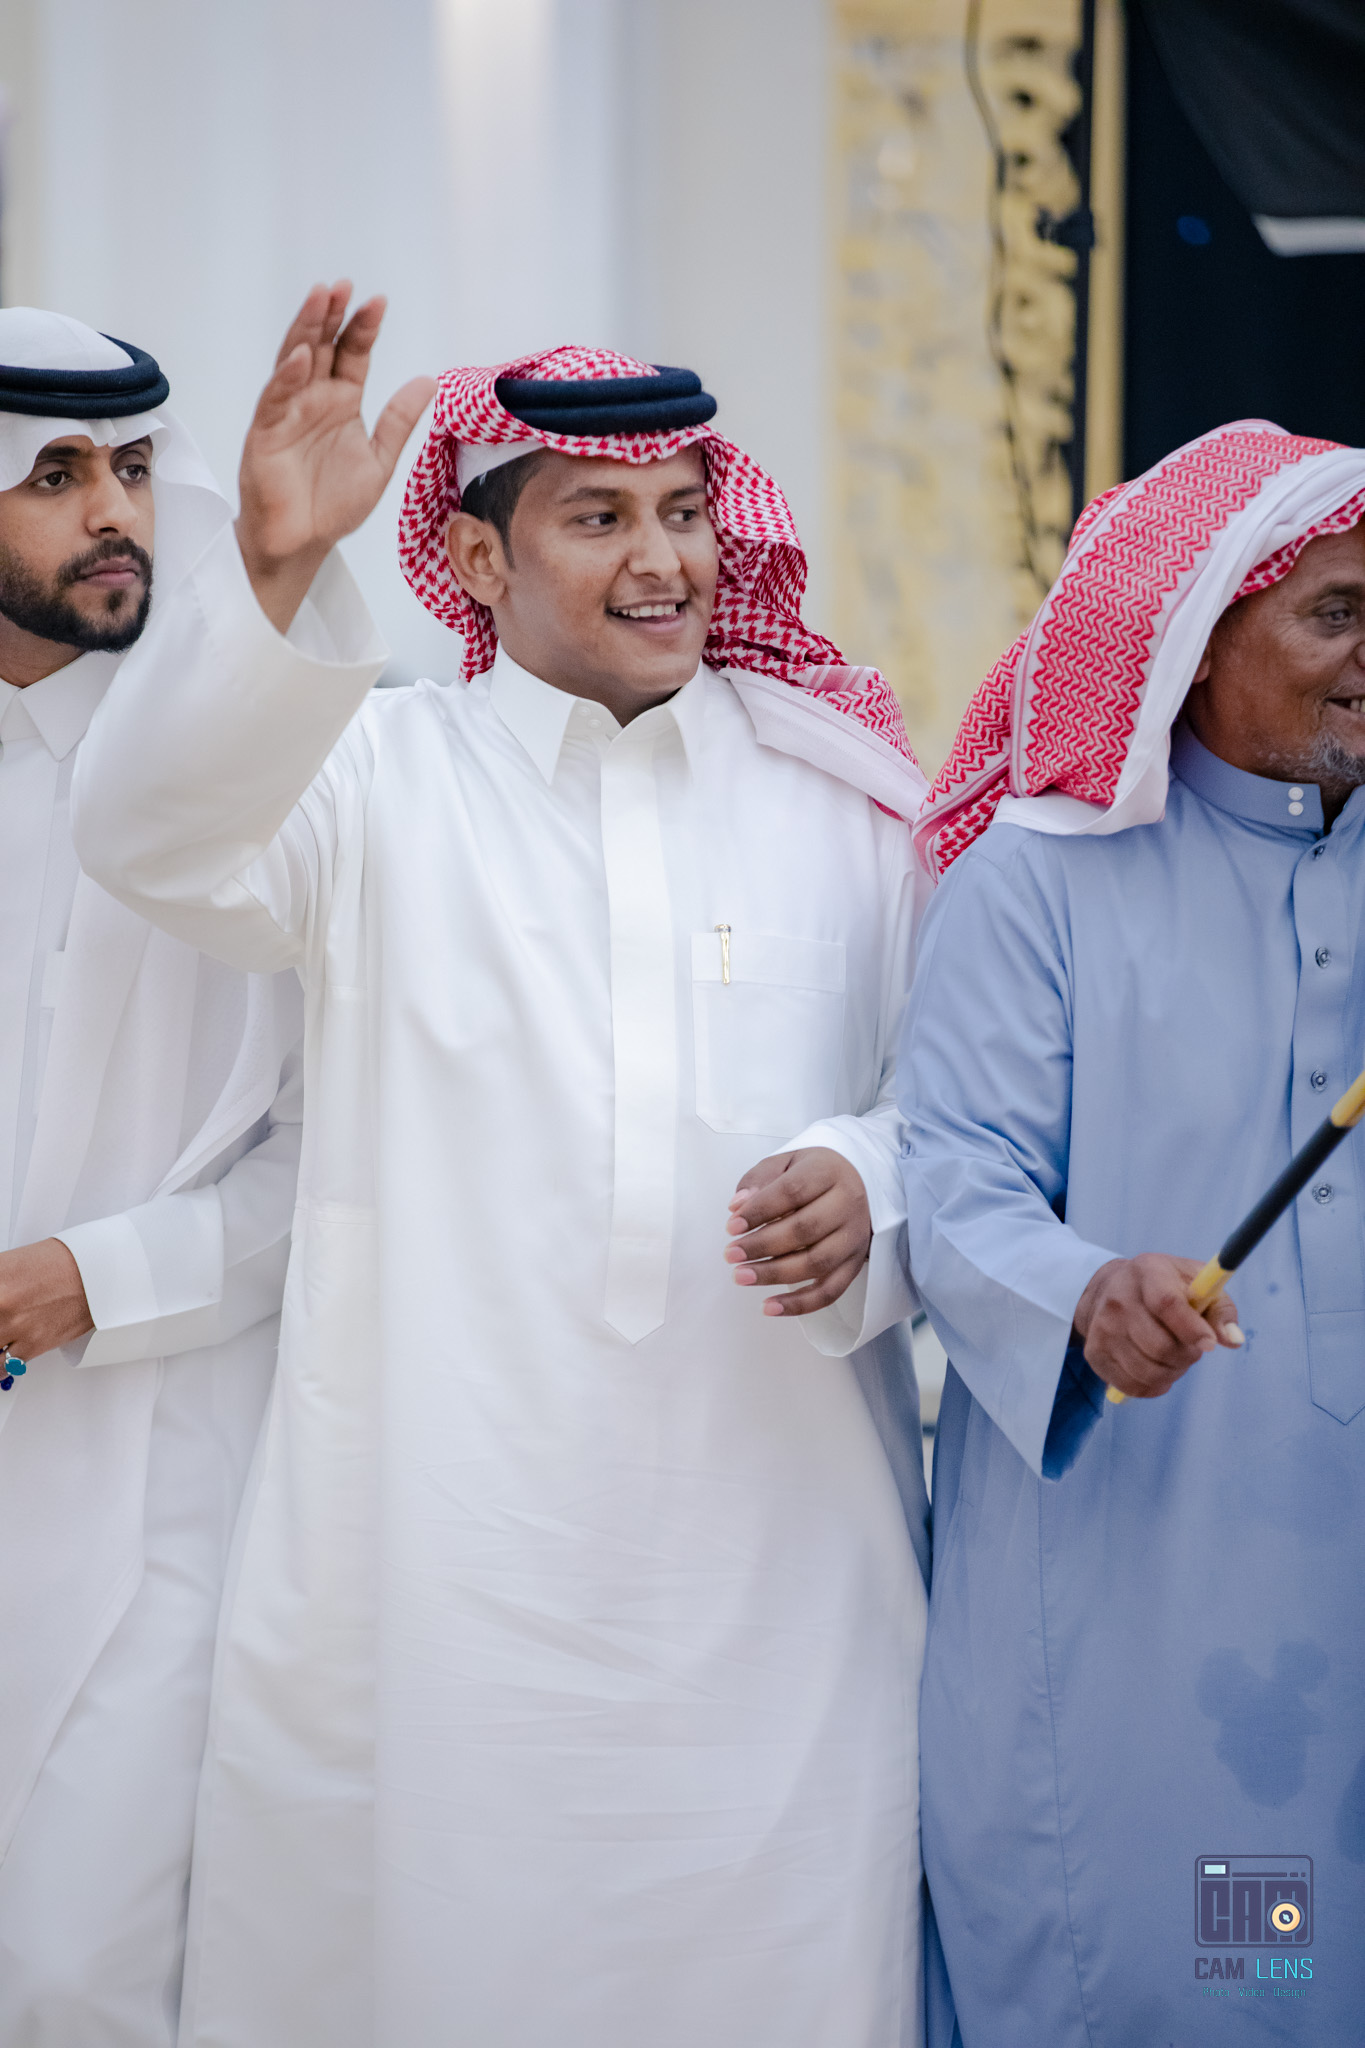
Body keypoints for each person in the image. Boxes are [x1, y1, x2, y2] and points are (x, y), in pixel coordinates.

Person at [72, 286, 932, 2048]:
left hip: (776, 1594)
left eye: (683, 512)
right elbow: (149, 838)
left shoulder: (841, 806)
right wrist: (273, 570)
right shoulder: (373, 781)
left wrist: (875, 1176)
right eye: (598, 516)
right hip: (440, 1587)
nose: (662, 560)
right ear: (475, 558)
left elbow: (959, 1106)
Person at [901, 419, 1365, 2047]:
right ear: (1196, 638)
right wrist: (1084, 1293)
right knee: (1225, 1971)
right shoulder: (1037, 886)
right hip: (1151, 1579)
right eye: (1335, 614)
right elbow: (953, 1185)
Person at [0, 309, 303, 2043]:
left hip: (157, 1478)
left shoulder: (246, 793)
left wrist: (91, 1282)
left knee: (78, 1975)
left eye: (129, 468)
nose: (114, 511)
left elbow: (335, 1159)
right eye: (53, 476)